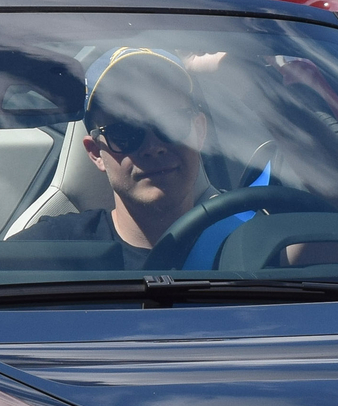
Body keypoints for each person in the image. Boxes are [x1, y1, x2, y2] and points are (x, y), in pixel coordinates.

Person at [15, 48, 212, 268]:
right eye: (125, 132)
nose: (153, 147)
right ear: (95, 153)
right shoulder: (52, 251)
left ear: (200, 132)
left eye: (171, 125)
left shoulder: (250, 242)